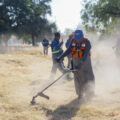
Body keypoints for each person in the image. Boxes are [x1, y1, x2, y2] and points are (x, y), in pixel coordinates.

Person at [57, 30, 95, 100]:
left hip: (86, 63)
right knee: (77, 78)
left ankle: (90, 93)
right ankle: (80, 94)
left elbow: (85, 55)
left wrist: (81, 64)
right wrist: (60, 57)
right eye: (76, 38)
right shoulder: (73, 41)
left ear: (82, 36)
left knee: (88, 77)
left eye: (79, 38)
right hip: (75, 62)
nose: (77, 40)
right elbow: (68, 50)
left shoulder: (87, 42)